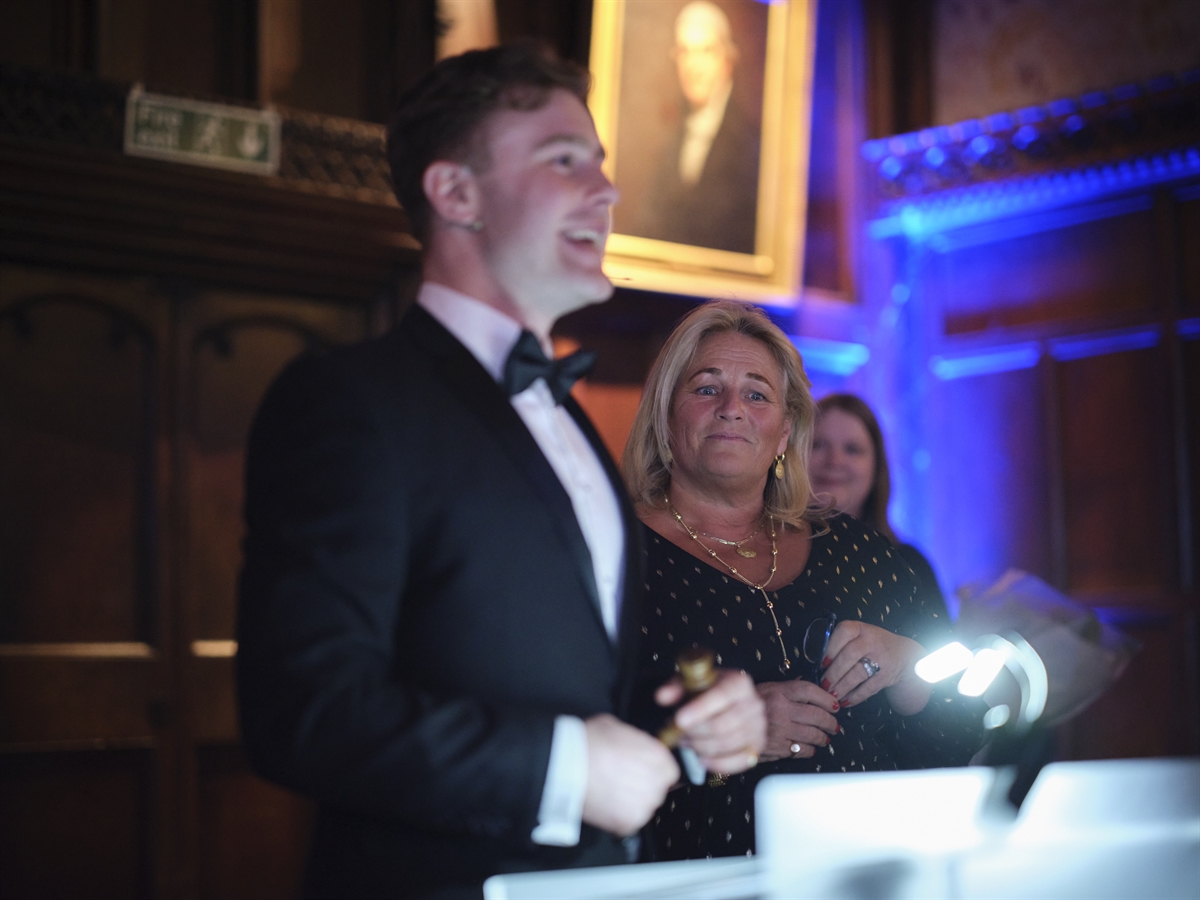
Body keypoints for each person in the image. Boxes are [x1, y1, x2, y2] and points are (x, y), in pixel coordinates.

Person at [236, 42, 765, 900]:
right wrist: (563, 769)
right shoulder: (350, 400)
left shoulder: (574, 423)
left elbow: (572, 692)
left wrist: (691, 726)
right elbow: (304, 712)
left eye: (600, 162)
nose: (607, 190)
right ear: (456, 194)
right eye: (564, 161)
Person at [623, 300, 984, 859]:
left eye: (757, 395)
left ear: (785, 431)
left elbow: (958, 741)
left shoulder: (863, 553)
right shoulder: (614, 556)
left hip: (867, 873)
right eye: (706, 388)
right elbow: (572, 745)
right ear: (666, 417)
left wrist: (906, 664)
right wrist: (726, 736)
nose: (731, 409)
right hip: (694, 875)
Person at [811, 393, 952, 640]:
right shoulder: (769, 561)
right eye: (818, 445)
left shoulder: (909, 565)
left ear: (877, 468)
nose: (835, 460)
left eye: (852, 450)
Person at [635, 0, 760, 254]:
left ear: (727, 59)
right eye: (685, 52)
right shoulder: (670, 142)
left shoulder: (750, 145)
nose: (694, 65)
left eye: (706, 51)